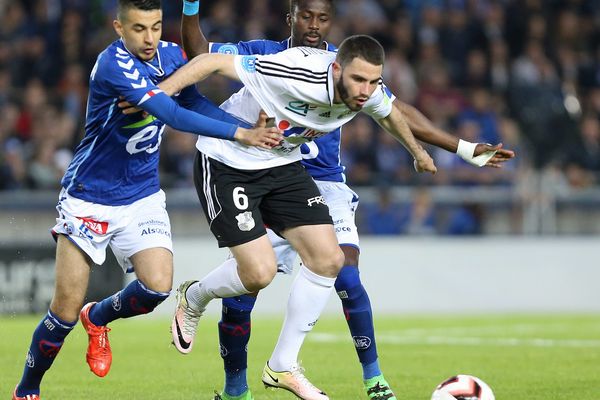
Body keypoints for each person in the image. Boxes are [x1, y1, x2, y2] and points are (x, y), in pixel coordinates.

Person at [167, 1, 515, 400]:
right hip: (247, 164)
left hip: (314, 179)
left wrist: (460, 149)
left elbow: (394, 110)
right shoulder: (267, 55)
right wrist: (186, 19)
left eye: (323, 18)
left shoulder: (352, 70)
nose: (314, 25)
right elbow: (202, 55)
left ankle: (367, 378)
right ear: (291, 17)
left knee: (340, 265)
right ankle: (234, 389)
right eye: (306, 16)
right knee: (250, 282)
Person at [11, 1, 282, 399]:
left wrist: (244, 126)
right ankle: (27, 390)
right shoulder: (113, 65)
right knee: (64, 309)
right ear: (119, 27)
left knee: (156, 287)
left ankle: (98, 317)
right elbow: (171, 113)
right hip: (91, 196)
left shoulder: (171, 55)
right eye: (139, 29)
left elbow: (192, 103)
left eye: (156, 26)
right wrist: (241, 136)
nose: (150, 38)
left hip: (141, 195)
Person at [149, 27, 438, 398]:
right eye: (358, 80)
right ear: (336, 70)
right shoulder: (294, 70)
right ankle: (196, 297)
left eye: (372, 81)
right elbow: (211, 61)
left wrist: (417, 152)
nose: (365, 90)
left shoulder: (366, 91)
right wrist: (156, 97)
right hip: (229, 161)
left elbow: (390, 113)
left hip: (281, 164)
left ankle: (283, 366)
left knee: (329, 259)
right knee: (259, 274)